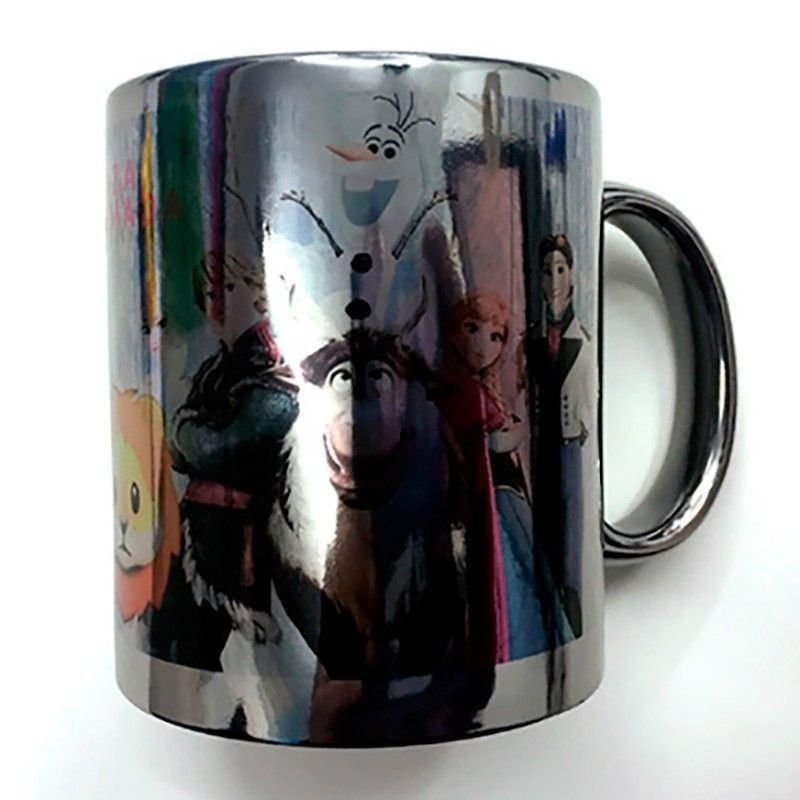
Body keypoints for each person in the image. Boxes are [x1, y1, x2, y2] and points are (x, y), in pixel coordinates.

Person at [149, 250, 299, 672]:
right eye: (211, 293)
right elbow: (187, 451)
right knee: (178, 650)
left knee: (223, 657)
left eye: (229, 288)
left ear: (259, 294)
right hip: (200, 529)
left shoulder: (271, 364)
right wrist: (191, 434)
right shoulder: (221, 366)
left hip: (238, 537)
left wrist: (185, 427)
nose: (217, 303)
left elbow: (224, 447)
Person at [527, 233, 592, 637]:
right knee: (542, 532)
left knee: (569, 533)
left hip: (569, 447)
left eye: (561, 269)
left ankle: (571, 620)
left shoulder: (584, 340)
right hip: (538, 450)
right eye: (547, 271)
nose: (554, 279)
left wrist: (583, 425)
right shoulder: (531, 339)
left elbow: (591, 393)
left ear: (573, 275)